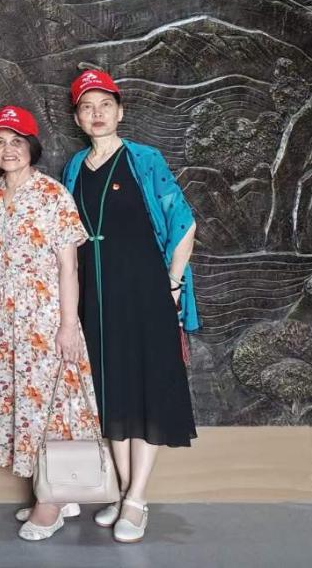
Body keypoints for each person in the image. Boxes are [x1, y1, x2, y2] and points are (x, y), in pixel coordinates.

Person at [62, 69, 198, 543]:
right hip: (96, 299)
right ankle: (122, 492)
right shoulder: (74, 167)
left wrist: (173, 285)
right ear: (77, 118)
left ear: (120, 111)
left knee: (146, 391)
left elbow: (183, 222)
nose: (96, 114)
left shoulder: (144, 158)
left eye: (105, 105)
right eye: (87, 107)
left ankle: (137, 498)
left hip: (146, 293)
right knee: (111, 393)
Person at [0, 105, 100, 541]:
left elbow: (69, 267)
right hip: (1, 315)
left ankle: (52, 502)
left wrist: (68, 325)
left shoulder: (52, 195)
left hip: (42, 314)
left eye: (17, 141)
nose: (8, 150)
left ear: (32, 147)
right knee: (17, 401)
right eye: (0, 142)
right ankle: (51, 491)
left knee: (48, 403)